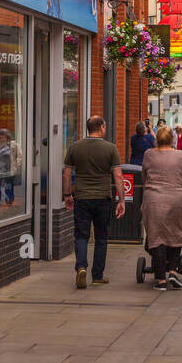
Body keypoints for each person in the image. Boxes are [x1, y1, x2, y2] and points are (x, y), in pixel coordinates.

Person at [63, 115, 126, 289]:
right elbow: (118, 176)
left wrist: (67, 195)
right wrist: (121, 199)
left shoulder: (75, 147)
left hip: (82, 197)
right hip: (102, 199)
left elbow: (67, 174)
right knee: (101, 238)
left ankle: (81, 267)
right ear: (101, 127)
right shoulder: (110, 148)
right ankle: (97, 276)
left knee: (81, 235)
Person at [140, 125, 182, 290]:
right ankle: (173, 272)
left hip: (153, 201)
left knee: (156, 238)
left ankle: (161, 280)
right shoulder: (181, 155)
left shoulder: (149, 155)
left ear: (157, 139)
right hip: (176, 200)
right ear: (172, 139)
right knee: (175, 234)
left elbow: (144, 175)